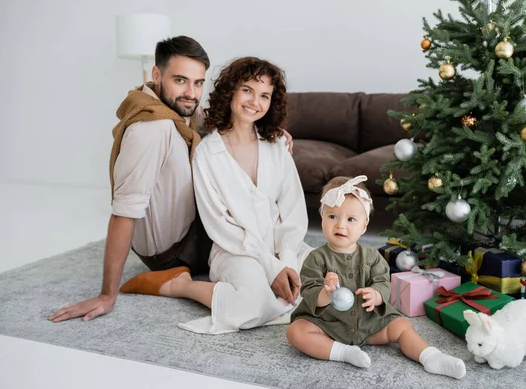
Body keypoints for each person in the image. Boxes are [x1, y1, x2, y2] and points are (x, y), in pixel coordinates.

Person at [48, 37, 293, 323]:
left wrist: (272, 132)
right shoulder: (152, 128)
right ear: (156, 75)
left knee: (271, 226)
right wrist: (107, 294)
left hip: (186, 232)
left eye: (198, 82)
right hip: (174, 250)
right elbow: (124, 212)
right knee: (260, 231)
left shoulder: (178, 110)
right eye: (180, 80)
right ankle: (179, 284)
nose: (191, 93)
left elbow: (227, 120)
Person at [118, 56, 312, 334]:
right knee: (252, 306)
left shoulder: (277, 144)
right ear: (231, 90)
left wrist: (287, 262)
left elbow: (293, 210)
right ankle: (180, 285)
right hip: (235, 250)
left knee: (331, 284)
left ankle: (280, 298)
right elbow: (220, 224)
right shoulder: (208, 153)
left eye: (265, 95)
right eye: (247, 90)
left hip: (280, 246)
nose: (255, 102)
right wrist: (271, 268)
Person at [286, 176, 466, 379]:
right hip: (329, 325)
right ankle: (343, 352)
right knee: (296, 332)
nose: (341, 226)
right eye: (332, 217)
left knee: (402, 327)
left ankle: (431, 357)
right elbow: (309, 289)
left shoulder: (372, 257)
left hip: (369, 324)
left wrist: (376, 295)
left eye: (351, 219)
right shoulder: (316, 258)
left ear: (364, 227)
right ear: (322, 218)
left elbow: (383, 282)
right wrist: (325, 293)